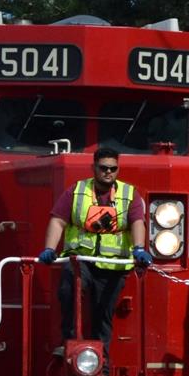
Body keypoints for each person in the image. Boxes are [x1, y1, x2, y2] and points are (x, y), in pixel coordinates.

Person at [36, 147, 152, 344]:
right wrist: (49, 249)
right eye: (103, 167)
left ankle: (102, 370)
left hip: (114, 265)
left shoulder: (130, 194)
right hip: (81, 260)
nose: (108, 172)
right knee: (69, 292)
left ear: (118, 169)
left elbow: (137, 222)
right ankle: (69, 344)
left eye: (113, 168)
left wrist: (139, 249)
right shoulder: (76, 191)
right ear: (93, 167)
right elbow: (58, 221)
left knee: (102, 318)